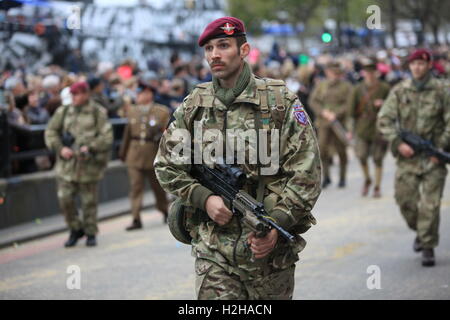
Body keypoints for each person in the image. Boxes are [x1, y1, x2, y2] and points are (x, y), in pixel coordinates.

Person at [154, 16, 322, 300]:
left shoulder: (279, 101)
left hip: (268, 255)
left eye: (223, 45)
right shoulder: (195, 105)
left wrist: (278, 223)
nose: (214, 55)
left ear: (244, 50)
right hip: (213, 250)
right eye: (208, 49)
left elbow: (307, 172)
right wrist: (203, 198)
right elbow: (166, 164)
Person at [377, 49, 450, 267]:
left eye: (421, 63)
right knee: (405, 202)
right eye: (413, 64)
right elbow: (384, 120)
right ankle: (421, 231)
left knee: (430, 205)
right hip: (407, 158)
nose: (417, 67)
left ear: (428, 65)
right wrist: (398, 143)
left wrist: (440, 149)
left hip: (433, 157)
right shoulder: (400, 91)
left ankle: (428, 246)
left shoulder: (442, 90)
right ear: (409, 66)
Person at [45, 81, 113, 247]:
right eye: (72, 94)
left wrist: (90, 146)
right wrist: (60, 149)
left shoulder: (97, 112)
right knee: (64, 199)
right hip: (67, 165)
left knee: (89, 201)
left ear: (86, 94)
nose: (73, 98)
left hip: (88, 165)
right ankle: (75, 228)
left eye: (77, 94)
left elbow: (107, 137)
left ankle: (90, 232)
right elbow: (50, 131)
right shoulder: (64, 111)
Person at [119, 82, 170, 230]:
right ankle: (136, 218)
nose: (139, 96)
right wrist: (123, 153)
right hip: (134, 154)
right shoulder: (132, 111)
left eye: (142, 93)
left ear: (149, 94)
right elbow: (127, 134)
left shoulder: (161, 111)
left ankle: (164, 210)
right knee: (135, 187)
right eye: (138, 93)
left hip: (153, 154)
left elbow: (166, 134)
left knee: (158, 188)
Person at [349, 58, 390, 197]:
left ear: (376, 73)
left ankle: (377, 186)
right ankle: (367, 179)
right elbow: (351, 111)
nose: (370, 75)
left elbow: (393, 106)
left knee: (378, 158)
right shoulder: (358, 89)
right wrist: (350, 130)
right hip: (362, 127)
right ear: (363, 73)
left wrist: (383, 103)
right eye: (367, 72)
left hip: (379, 128)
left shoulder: (384, 88)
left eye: (372, 72)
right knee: (361, 155)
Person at [308, 61, 353, 188]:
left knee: (341, 150)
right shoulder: (321, 86)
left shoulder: (346, 86)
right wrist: (322, 112)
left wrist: (336, 114)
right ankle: (326, 176)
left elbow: (349, 104)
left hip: (339, 123)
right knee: (322, 150)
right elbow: (313, 101)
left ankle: (342, 178)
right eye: (332, 72)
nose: (334, 75)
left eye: (337, 73)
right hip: (324, 123)